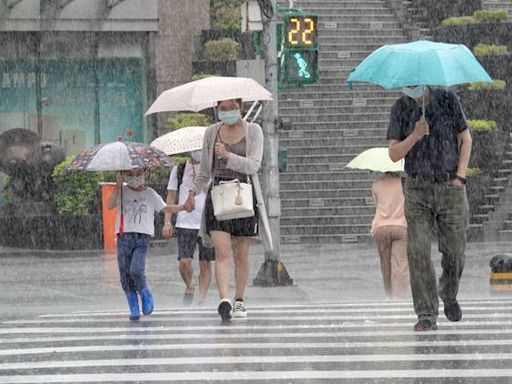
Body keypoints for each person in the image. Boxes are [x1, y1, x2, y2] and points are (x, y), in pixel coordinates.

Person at [387, 85, 472, 332]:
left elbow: (465, 138)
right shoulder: (400, 107)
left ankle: (448, 291)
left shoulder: (447, 99)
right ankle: (426, 313)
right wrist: (415, 135)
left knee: (455, 252)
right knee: (418, 251)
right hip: (417, 188)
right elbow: (393, 154)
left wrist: (460, 177)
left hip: (450, 186)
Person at [184, 98, 273, 323]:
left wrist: (228, 156)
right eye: (222, 108)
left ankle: (239, 299)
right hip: (218, 195)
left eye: (232, 107)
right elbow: (205, 171)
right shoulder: (211, 133)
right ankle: (224, 300)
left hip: (243, 194)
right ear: (217, 109)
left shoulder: (253, 131)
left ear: (241, 107)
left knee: (241, 253)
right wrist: (193, 191)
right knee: (222, 252)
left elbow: (254, 165)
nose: (227, 112)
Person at [107, 168, 185, 321]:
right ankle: (133, 306)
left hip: (142, 237)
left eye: (138, 174)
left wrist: (183, 207)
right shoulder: (122, 191)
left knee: (136, 269)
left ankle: (144, 292)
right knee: (125, 273)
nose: (134, 178)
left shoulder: (150, 193)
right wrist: (118, 185)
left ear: (145, 173)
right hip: (124, 236)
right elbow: (110, 204)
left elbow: (165, 208)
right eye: (129, 174)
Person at [162, 151, 215, 306]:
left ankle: (201, 300)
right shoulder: (179, 169)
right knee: (184, 262)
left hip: (206, 222)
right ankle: (190, 285)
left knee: (205, 263)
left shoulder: (210, 169)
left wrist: (203, 182)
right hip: (185, 222)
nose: (198, 153)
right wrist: (167, 221)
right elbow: (171, 196)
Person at [371, 172, 409, 300]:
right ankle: (399, 295)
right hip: (400, 226)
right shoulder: (404, 184)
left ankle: (388, 293)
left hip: (381, 227)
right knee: (400, 264)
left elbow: (377, 205)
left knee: (385, 262)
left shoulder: (376, 184)